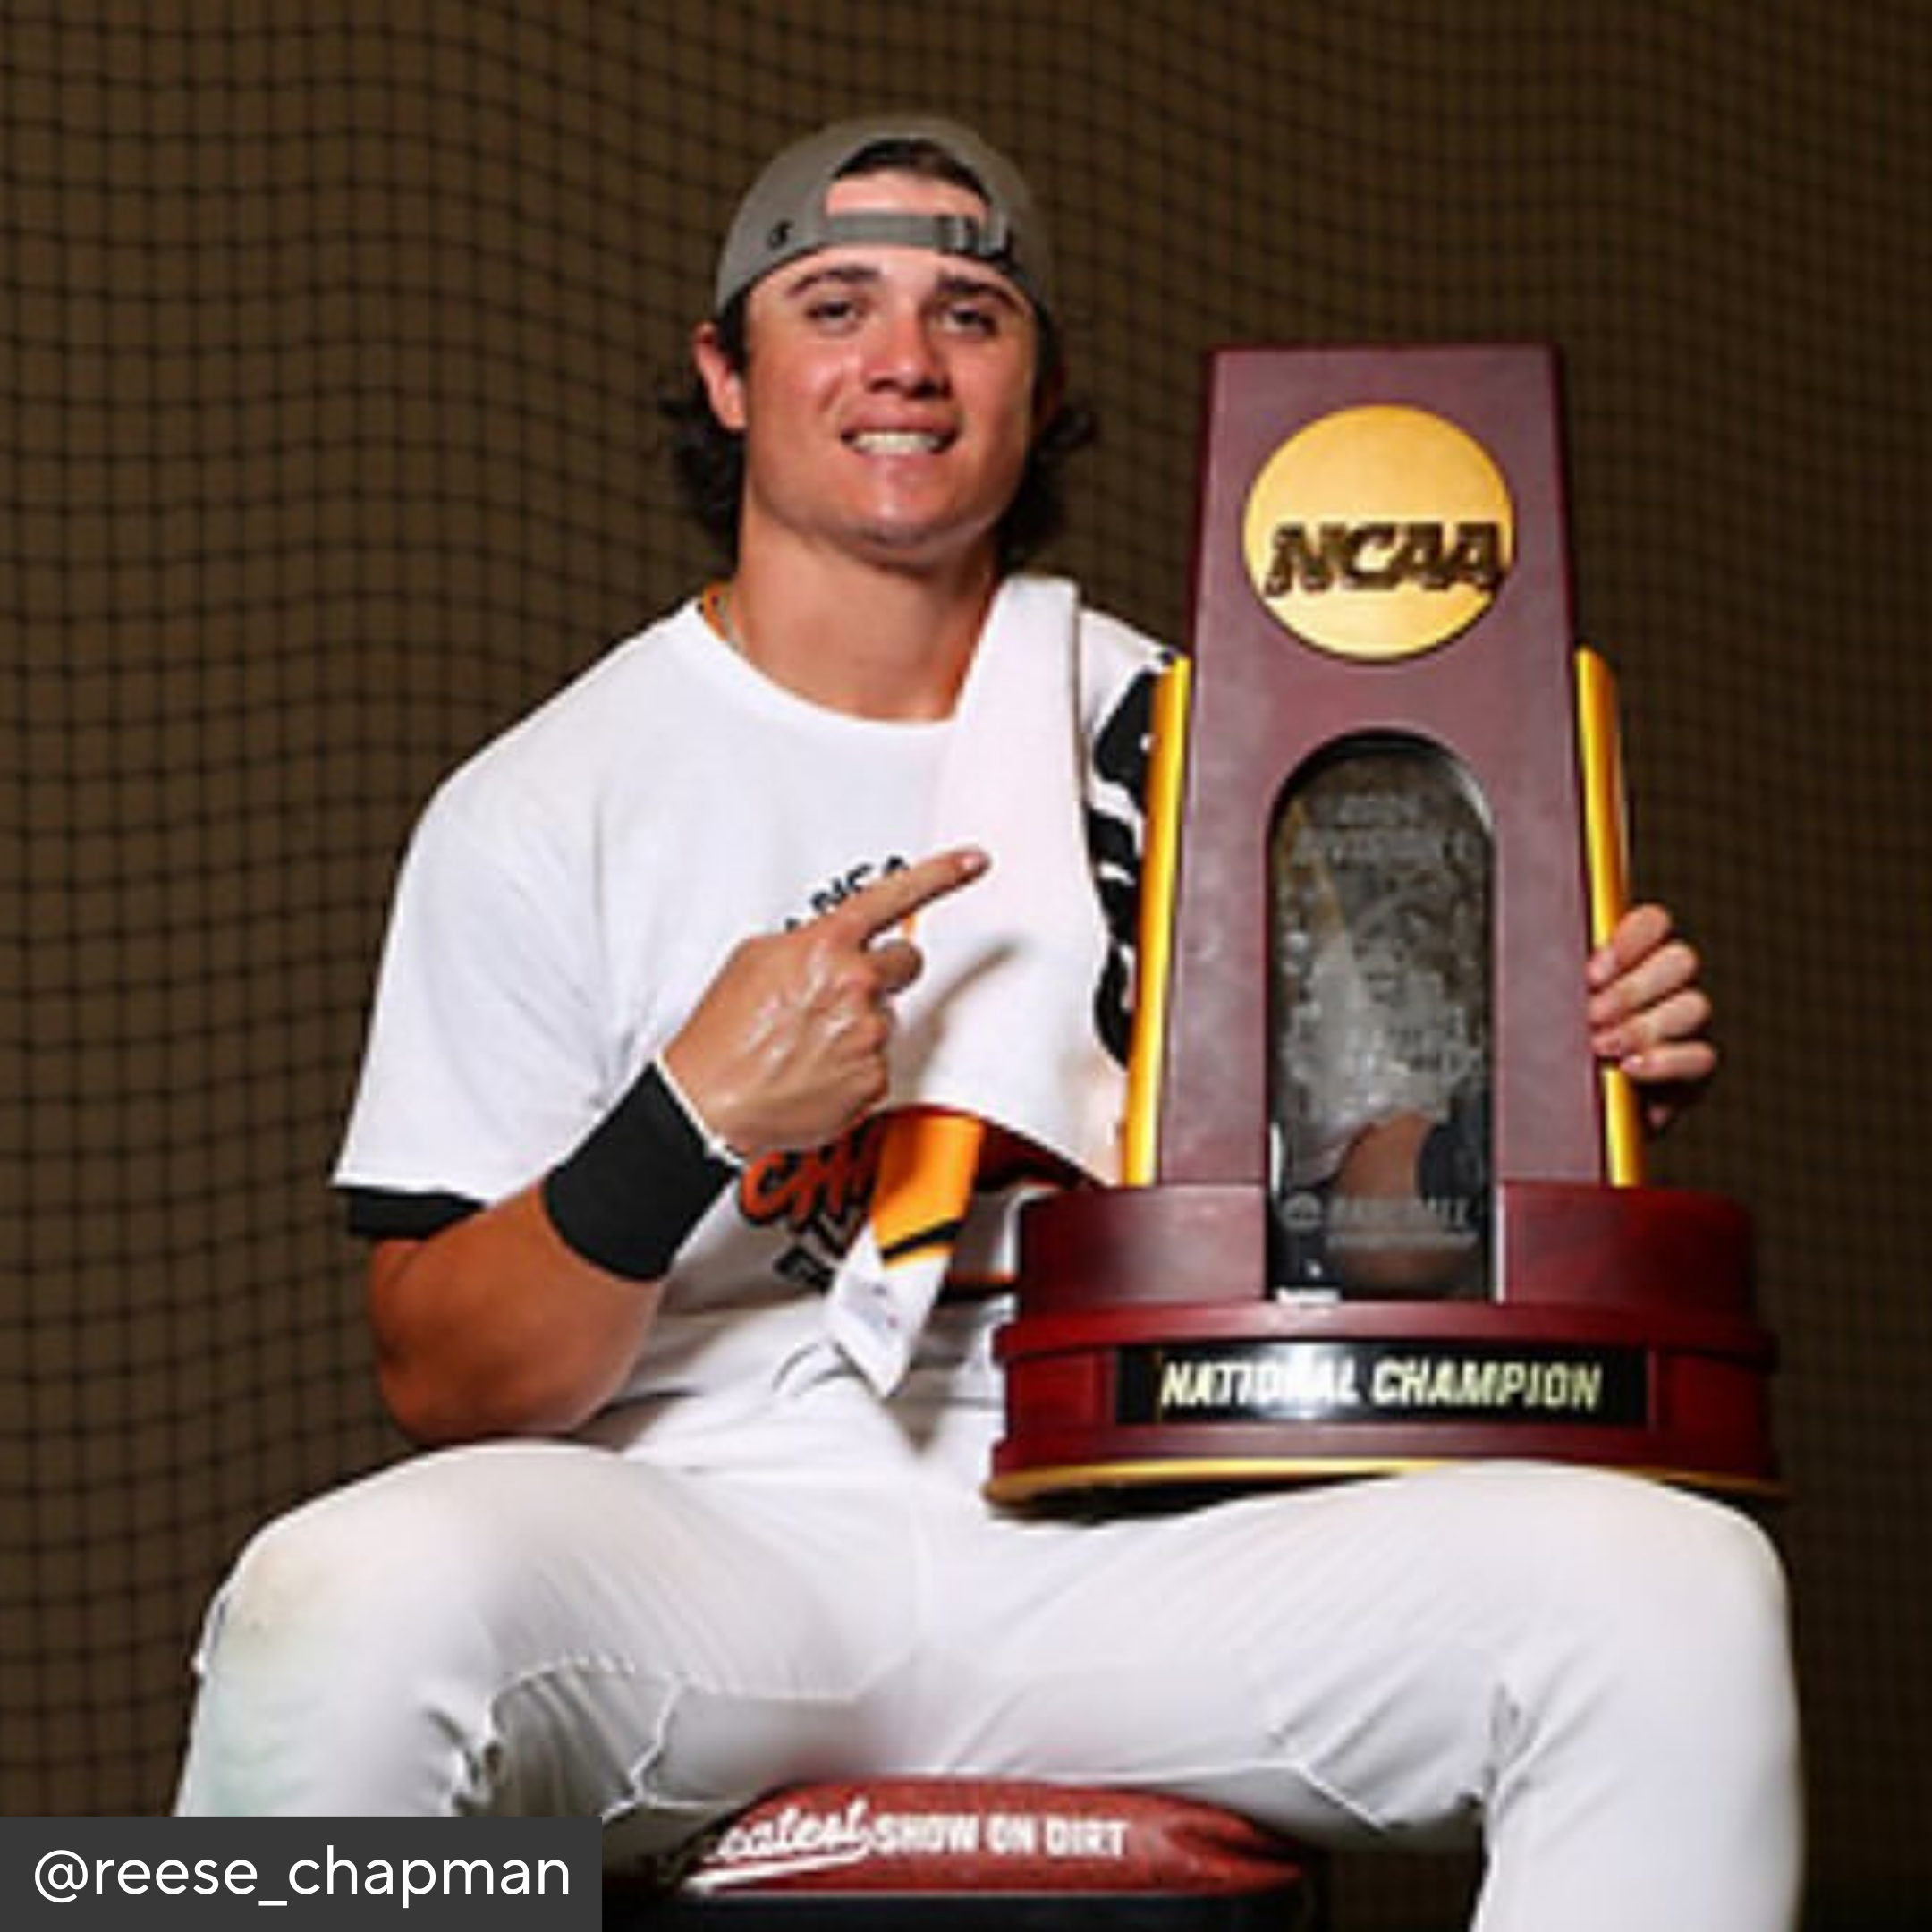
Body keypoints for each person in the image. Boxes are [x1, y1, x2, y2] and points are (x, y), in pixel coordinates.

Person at [175, 116, 1800, 1929]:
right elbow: (444, 1380)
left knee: (1676, 1597)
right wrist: (686, 1120)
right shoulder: (546, 801)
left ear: (1039, 387)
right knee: (337, 1603)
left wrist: (1542, 1096)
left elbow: (1378, 1228)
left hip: (1147, 1527)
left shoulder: (1218, 741)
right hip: (718, 1532)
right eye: (834, 302)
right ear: (728, 374)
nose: (903, 362)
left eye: (971, 312)